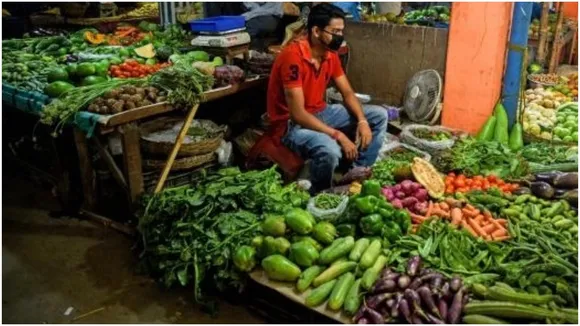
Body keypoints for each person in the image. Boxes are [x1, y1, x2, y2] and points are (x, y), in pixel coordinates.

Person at [267, 3, 388, 194]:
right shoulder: (293, 57)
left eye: (341, 31)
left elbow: (347, 93)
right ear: (316, 31)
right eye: (335, 31)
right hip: (290, 125)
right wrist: (337, 135)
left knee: (379, 115)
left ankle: (356, 174)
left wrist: (363, 120)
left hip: (321, 112)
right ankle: (321, 194)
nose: (340, 36)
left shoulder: (329, 55)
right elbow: (298, 114)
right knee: (330, 150)